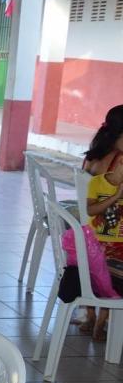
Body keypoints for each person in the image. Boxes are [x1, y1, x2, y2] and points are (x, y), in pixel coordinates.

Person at [82, 104, 123, 341]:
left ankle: (91, 316)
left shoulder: (94, 154)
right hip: (107, 241)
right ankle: (102, 320)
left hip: (87, 236)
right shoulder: (119, 161)